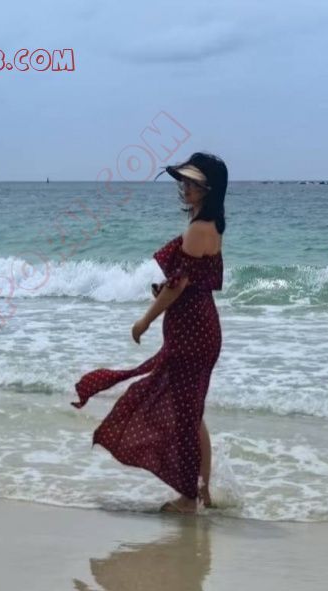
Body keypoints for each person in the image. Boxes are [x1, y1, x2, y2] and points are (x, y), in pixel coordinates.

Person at [71, 152, 228, 514]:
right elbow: (189, 283)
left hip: (193, 333)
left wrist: (144, 320)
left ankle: (188, 499)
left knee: (185, 416)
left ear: (209, 189)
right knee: (191, 413)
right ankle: (202, 492)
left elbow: (178, 286)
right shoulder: (210, 224)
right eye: (184, 181)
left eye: (194, 183)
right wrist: (169, 295)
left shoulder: (199, 229)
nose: (185, 187)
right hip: (199, 327)